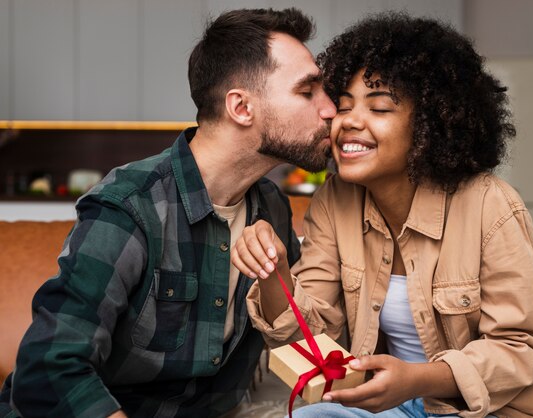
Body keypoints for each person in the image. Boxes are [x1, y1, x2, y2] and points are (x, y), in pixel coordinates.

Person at [232, 12, 533, 418]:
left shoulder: (492, 206)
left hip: (499, 409)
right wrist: (274, 273)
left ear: (429, 125)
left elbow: (523, 347)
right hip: (400, 407)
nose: (350, 121)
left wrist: (419, 379)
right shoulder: (335, 200)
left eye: (380, 108)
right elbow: (315, 340)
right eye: (343, 106)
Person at [0, 8, 336, 418]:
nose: (330, 109)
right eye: (308, 91)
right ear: (241, 107)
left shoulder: (271, 208)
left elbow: (298, 347)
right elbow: (48, 369)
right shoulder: (130, 205)